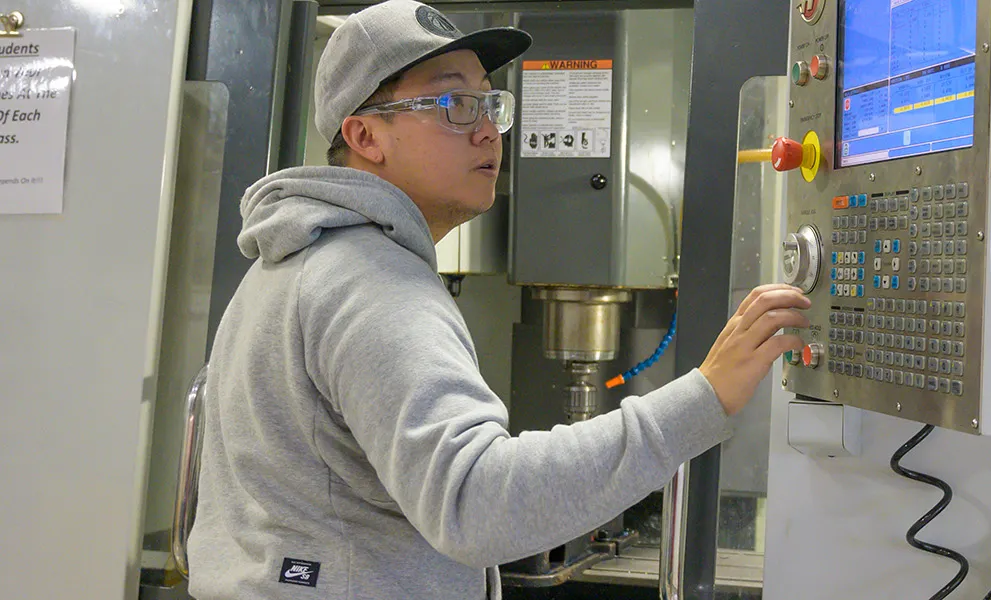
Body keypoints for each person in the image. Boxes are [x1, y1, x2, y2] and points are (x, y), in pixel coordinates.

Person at [185, 2, 809, 598]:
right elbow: (475, 502)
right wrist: (706, 397)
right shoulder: (371, 283)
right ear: (366, 135)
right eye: (455, 104)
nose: (488, 131)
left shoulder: (291, 262)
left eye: (490, 103)